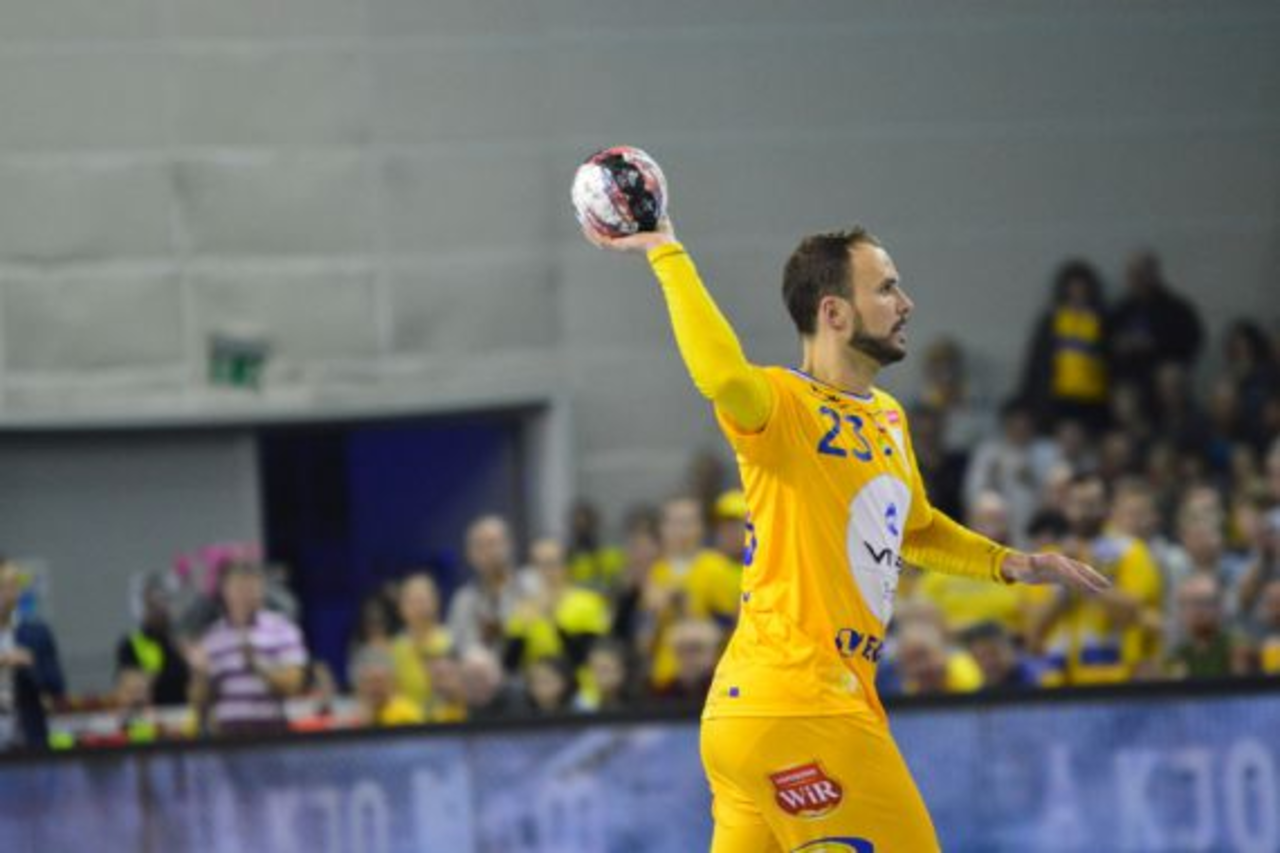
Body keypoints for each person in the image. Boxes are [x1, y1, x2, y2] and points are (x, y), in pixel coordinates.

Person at [583, 217, 1107, 851]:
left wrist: (1013, 564)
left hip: (752, 715)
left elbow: (917, 529)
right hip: (804, 705)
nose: (906, 303)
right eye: (885, 288)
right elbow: (722, 377)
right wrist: (665, 250)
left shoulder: (889, 417)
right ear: (833, 312)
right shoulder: (783, 406)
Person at [188, 561, 308, 736]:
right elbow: (198, 703)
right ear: (225, 591)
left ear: (261, 590)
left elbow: (294, 685)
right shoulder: (212, 637)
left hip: (271, 733)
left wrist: (258, 666)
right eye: (239, 588)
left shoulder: (282, 629)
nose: (245, 595)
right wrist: (200, 674)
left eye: (251, 587)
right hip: (227, 735)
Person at [1018, 259, 1111, 432]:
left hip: (1091, 397)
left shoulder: (1102, 320)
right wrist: (1028, 398)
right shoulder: (1051, 320)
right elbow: (1036, 362)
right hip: (1057, 396)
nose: (1078, 292)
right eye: (1073, 287)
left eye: (1082, 288)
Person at [446, 515, 541, 656]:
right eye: (480, 546)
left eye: (494, 543)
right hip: (482, 667)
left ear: (509, 545)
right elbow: (457, 648)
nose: (489, 552)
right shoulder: (463, 600)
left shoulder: (532, 583)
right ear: (470, 555)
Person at [0, 563, 66, 751]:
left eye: (9, 586)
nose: (5, 594)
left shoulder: (36, 634)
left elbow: (57, 686)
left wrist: (32, 665)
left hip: (28, 738)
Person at [115, 574, 190, 706]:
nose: (159, 609)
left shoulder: (181, 642)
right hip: (149, 715)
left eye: (164, 601)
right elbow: (128, 687)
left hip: (184, 713)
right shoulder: (131, 645)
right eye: (152, 604)